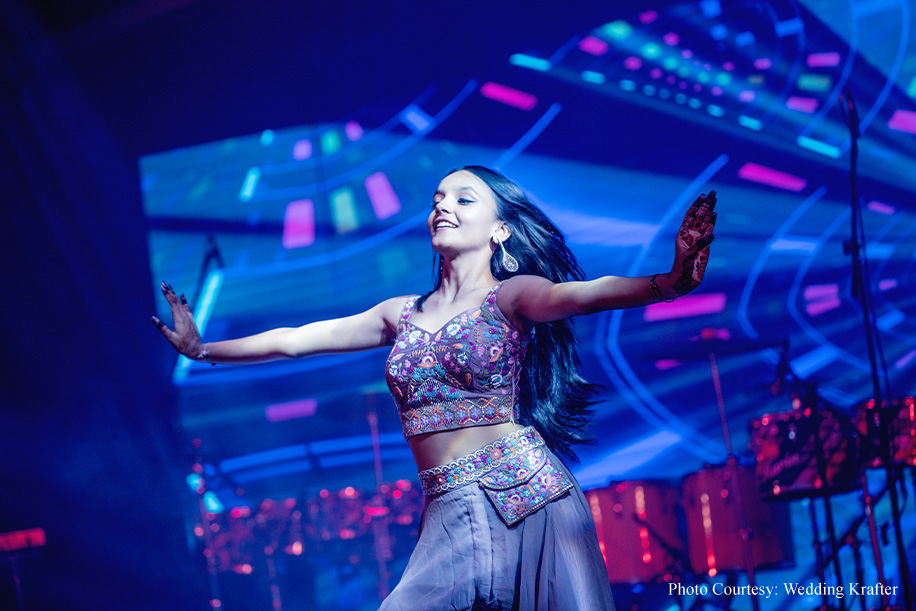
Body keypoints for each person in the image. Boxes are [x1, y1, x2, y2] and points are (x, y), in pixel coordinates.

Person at [153, 165, 717, 610]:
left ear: (500, 230)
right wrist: (203, 350)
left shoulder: (512, 295)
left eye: (463, 199)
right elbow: (298, 340)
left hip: (526, 495)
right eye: (437, 199)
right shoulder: (400, 313)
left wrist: (669, 283)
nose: (443, 206)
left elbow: (582, 294)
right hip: (448, 505)